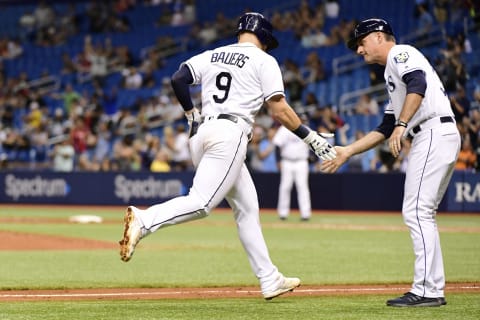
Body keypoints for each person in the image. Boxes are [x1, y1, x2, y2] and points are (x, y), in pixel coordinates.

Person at [118, 12, 336, 300]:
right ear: (265, 39)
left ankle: (269, 278)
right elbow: (279, 109)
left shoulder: (214, 53)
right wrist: (310, 137)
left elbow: (178, 78)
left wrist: (190, 113)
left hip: (202, 132)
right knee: (202, 203)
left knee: (247, 209)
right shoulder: (263, 60)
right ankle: (145, 220)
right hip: (229, 134)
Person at [321, 18, 460, 307]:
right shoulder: (391, 74)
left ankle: (426, 290)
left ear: (379, 36)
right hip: (433, 132)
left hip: (432, 130)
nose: (359, 50)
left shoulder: (400, 52)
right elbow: (385, 126)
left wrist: (403, 124)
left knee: (416, 211)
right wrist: (348, 151)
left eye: (361, 42)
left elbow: (417, 84)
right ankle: (431, 288)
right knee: (422, 212)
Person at [273, 115, 312, 221]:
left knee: (302, 187)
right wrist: (278, 161)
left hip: (301, 161)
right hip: (287, 161)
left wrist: (314, 160)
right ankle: (283, 213)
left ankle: (305, 214)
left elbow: (313, 145)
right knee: (285, 187)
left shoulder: (306, 129)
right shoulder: (284, 129)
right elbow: (277, 145)